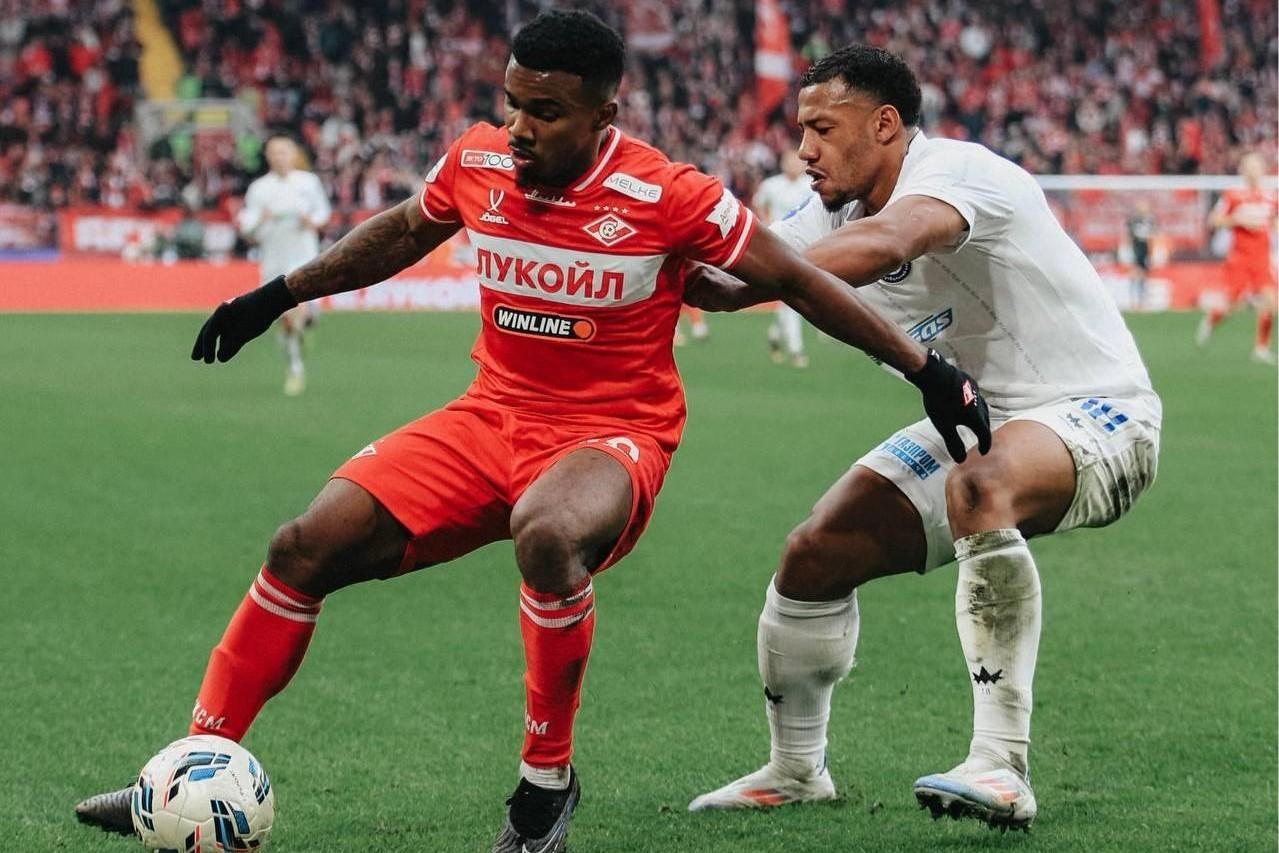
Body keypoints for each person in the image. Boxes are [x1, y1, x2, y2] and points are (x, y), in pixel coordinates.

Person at [74, 15, 990, 853]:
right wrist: (276, 294)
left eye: (546, 113)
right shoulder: (478, 161)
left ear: (603, 115)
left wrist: (926, 370)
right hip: (487, 417)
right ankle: (188, 772)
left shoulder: (665, 193)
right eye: (512, 103)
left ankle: (544, 786)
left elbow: (797, 278)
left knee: (546, 534)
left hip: (614, 432)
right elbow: (399, 232)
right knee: (302, 544)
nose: (519, 128)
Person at [685, 44, 1161, 831]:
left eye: (822, 129)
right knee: (813, 555)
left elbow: (886, 243)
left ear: (884, 125)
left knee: (979, 483)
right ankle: (795, 769)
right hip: (980, 419)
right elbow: (749, 261)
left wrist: (750, 280)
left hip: (1101, 413)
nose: (803, 149)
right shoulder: (825, 214)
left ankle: (1001, 764)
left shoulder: (956, 171)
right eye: (799, 130)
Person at [237, 134, 332, 395]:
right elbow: (247, 228)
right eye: (275, 152)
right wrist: (262, 219)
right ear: (268, 156)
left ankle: (303, 332)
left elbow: (323, 212)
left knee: (301, 312)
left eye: (284, 151)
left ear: (293, 154)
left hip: (305, 257)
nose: (280, 157)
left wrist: (312, 221)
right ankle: (296, 366)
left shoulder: (308, 183)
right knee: (287, 317)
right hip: (273, 260)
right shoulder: (259, 189)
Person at [1196, 152, 1278, 364]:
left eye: (1256, 166)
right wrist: (1237, 219)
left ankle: (1261, 348)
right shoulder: (1232, 195)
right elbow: (1213, 220)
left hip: (1262, 259)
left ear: (1263, 169)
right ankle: (1211, 320)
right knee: (1233, 304)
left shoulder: (1271, 197)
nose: (1253, 170)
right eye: (1249, 166)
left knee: (1271, 302)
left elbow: (1274, 221)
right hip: (1240, 258)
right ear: (1242, 170)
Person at [754, 150, 815, 367]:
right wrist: (768, 224)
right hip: (778, 246)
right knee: (792, 295)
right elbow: (758, 203)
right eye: (789, 162)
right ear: (782, 164)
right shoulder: (771, 185)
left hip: (804, 246)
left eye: (797, 162)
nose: (793, 166)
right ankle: (796, 350)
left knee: (790, 295)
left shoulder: (810, 185)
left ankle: (775, 333)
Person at [1124, 198, 1156, 311]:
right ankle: (1133, 301)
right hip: (1136, 249)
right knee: (1135, 274)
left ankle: (1142, 302)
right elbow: (1128, 236)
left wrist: (1151, 253)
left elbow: (1152, 237)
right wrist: (1127, 250)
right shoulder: (1134, 221)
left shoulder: (1150, 220)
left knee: (1144, 276)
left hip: (1145, 250)